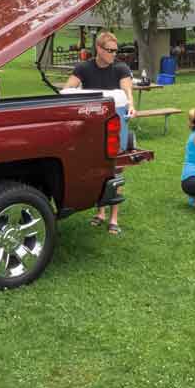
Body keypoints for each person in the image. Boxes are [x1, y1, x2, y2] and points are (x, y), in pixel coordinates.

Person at [65, 31, 135, 235]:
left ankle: (114, 217)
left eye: (116, 50)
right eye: (110, 50)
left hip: (116, 124)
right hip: (94, 127)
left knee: (116, 170)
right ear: (98, 49)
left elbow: (127, 93)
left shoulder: (120, 68)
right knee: (98, 170)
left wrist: (131, 106)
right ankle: (100, 212)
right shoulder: (84, 68)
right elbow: (68, 89)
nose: (114, 54)